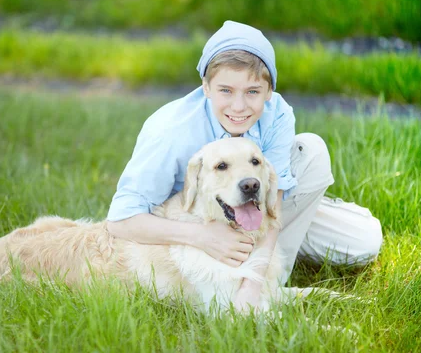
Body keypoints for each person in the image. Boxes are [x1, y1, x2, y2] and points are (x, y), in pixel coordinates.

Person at [105, 21, 383, 309]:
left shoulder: (277, 114)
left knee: (363, 241)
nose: (239, 107)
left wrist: (253, 283)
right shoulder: (169, 132)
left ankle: (264, 274)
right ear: (206, 87)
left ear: (269, 91)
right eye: (226, 90)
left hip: (256, 215)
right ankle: (264, 284)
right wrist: (202, 236)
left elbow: (271, 206)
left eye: (252, 92)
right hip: (194, 224)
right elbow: (120, 221)